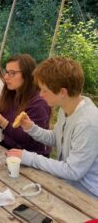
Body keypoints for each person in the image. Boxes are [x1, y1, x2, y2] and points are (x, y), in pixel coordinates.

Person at [6, 57, 98, 198]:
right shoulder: (65, 108)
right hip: (66, 184)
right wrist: (31, 128)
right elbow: (56, 139)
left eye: (44, 90)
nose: (40, 95)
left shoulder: (88, 123)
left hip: (87, 196)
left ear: (62, 92)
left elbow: (73, 171)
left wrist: (29, 158)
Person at [0, 54, 51, 156]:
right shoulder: (12, 94)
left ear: (27, 75)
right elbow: (1, 122)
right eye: (6, 72)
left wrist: (2, 122)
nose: (6, 77)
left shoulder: (39, 103)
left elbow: (28, 139)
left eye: (12, 73)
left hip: (32, 157)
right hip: (9, 149)